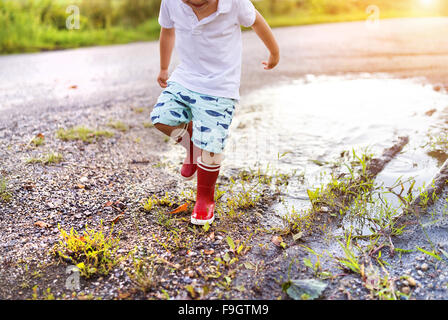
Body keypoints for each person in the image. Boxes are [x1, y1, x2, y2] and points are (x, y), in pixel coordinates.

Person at [150, 0, 279, 225]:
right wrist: (164, 66)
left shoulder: (235, 3)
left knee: (211, 145)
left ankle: (205, 198)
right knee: (162, 117)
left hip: (220, 86)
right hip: (186, 78)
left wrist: (274, 52)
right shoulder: (171, 2)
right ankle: (192, 146)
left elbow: (256, 21)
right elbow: (167, 31)